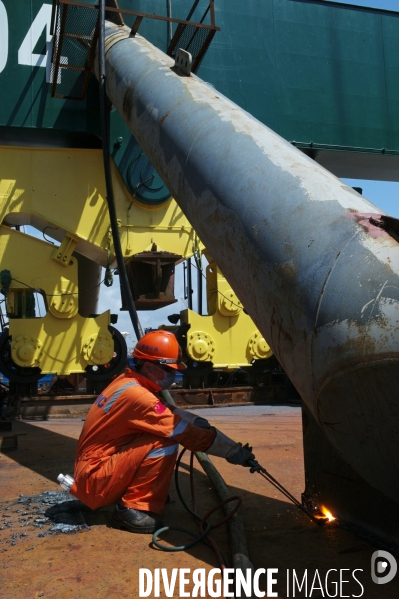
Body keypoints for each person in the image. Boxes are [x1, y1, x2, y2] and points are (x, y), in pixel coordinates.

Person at [70, 330, 255, 533]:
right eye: (168, 369)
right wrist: (233, 452)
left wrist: (196, 421)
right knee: (165, 441)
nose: (172, 375)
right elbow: (182, 431)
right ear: (149, 367)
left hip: (95, 470)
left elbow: (168, 413)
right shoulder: (138, 396)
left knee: (159, 433)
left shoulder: (128, 382)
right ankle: (131, 509)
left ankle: (145, 490)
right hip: (94, 482)